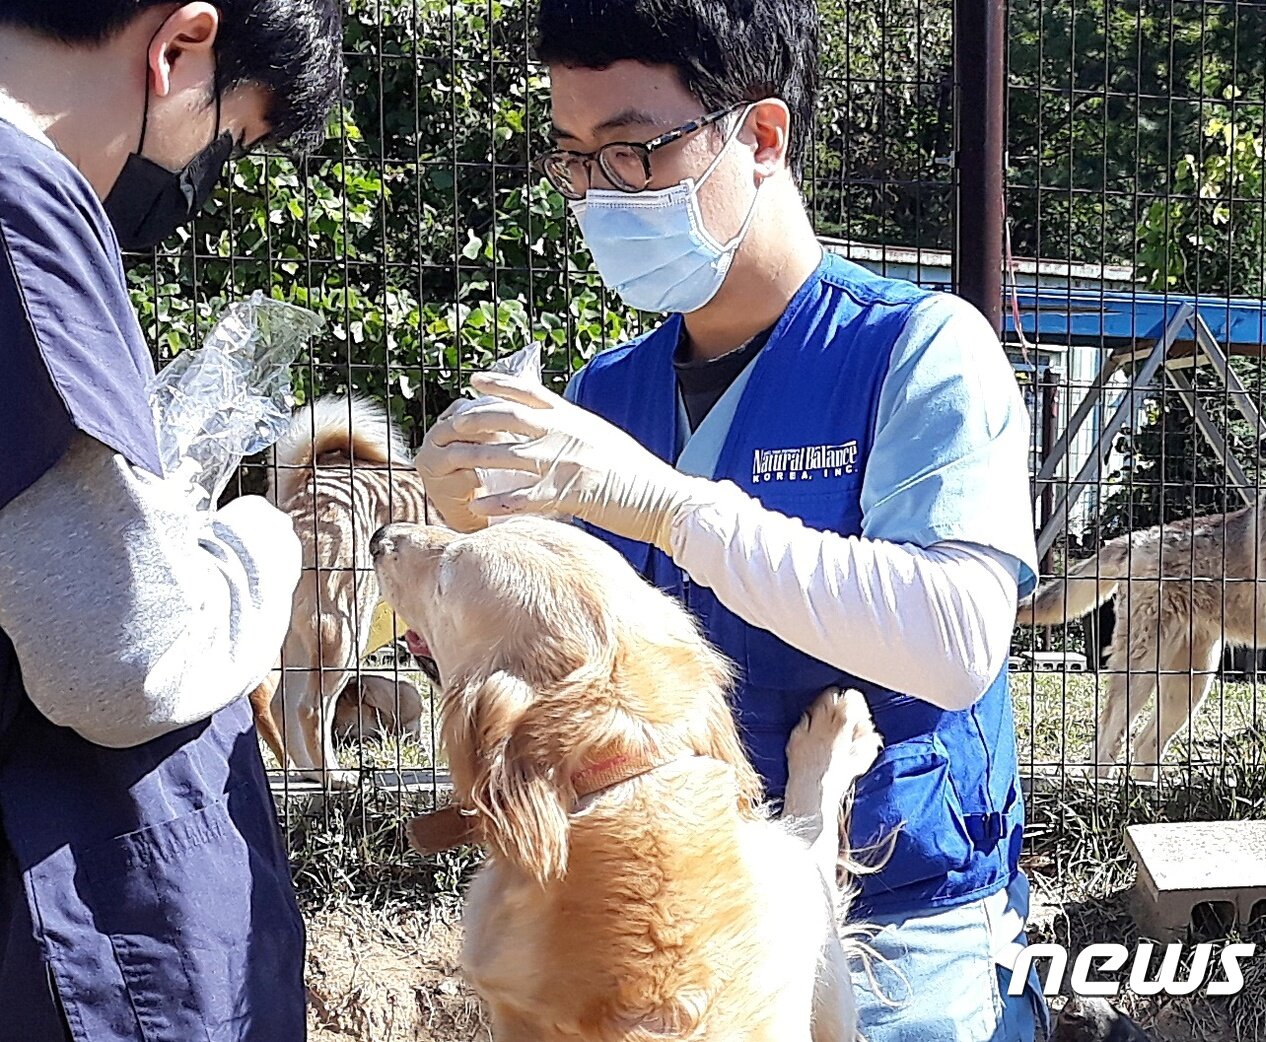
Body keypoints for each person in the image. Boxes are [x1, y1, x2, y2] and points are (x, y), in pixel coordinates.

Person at [415, 1, 1051, 1039]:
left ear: (759, 136)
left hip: (901, 926)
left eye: (632, 150)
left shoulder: (921, 350)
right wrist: (462, 558)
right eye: (573, 157)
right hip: (664, 927)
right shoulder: (604, 394)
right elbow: (546, 686)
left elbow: (955, 642)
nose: (599, 195)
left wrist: (666, 505)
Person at [0, 2, 340, 1039]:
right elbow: (124, 662)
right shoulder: (21, 211)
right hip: (68, 930)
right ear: (181, 46)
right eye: (228, 141)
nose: (204, 180)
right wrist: (259, 543)